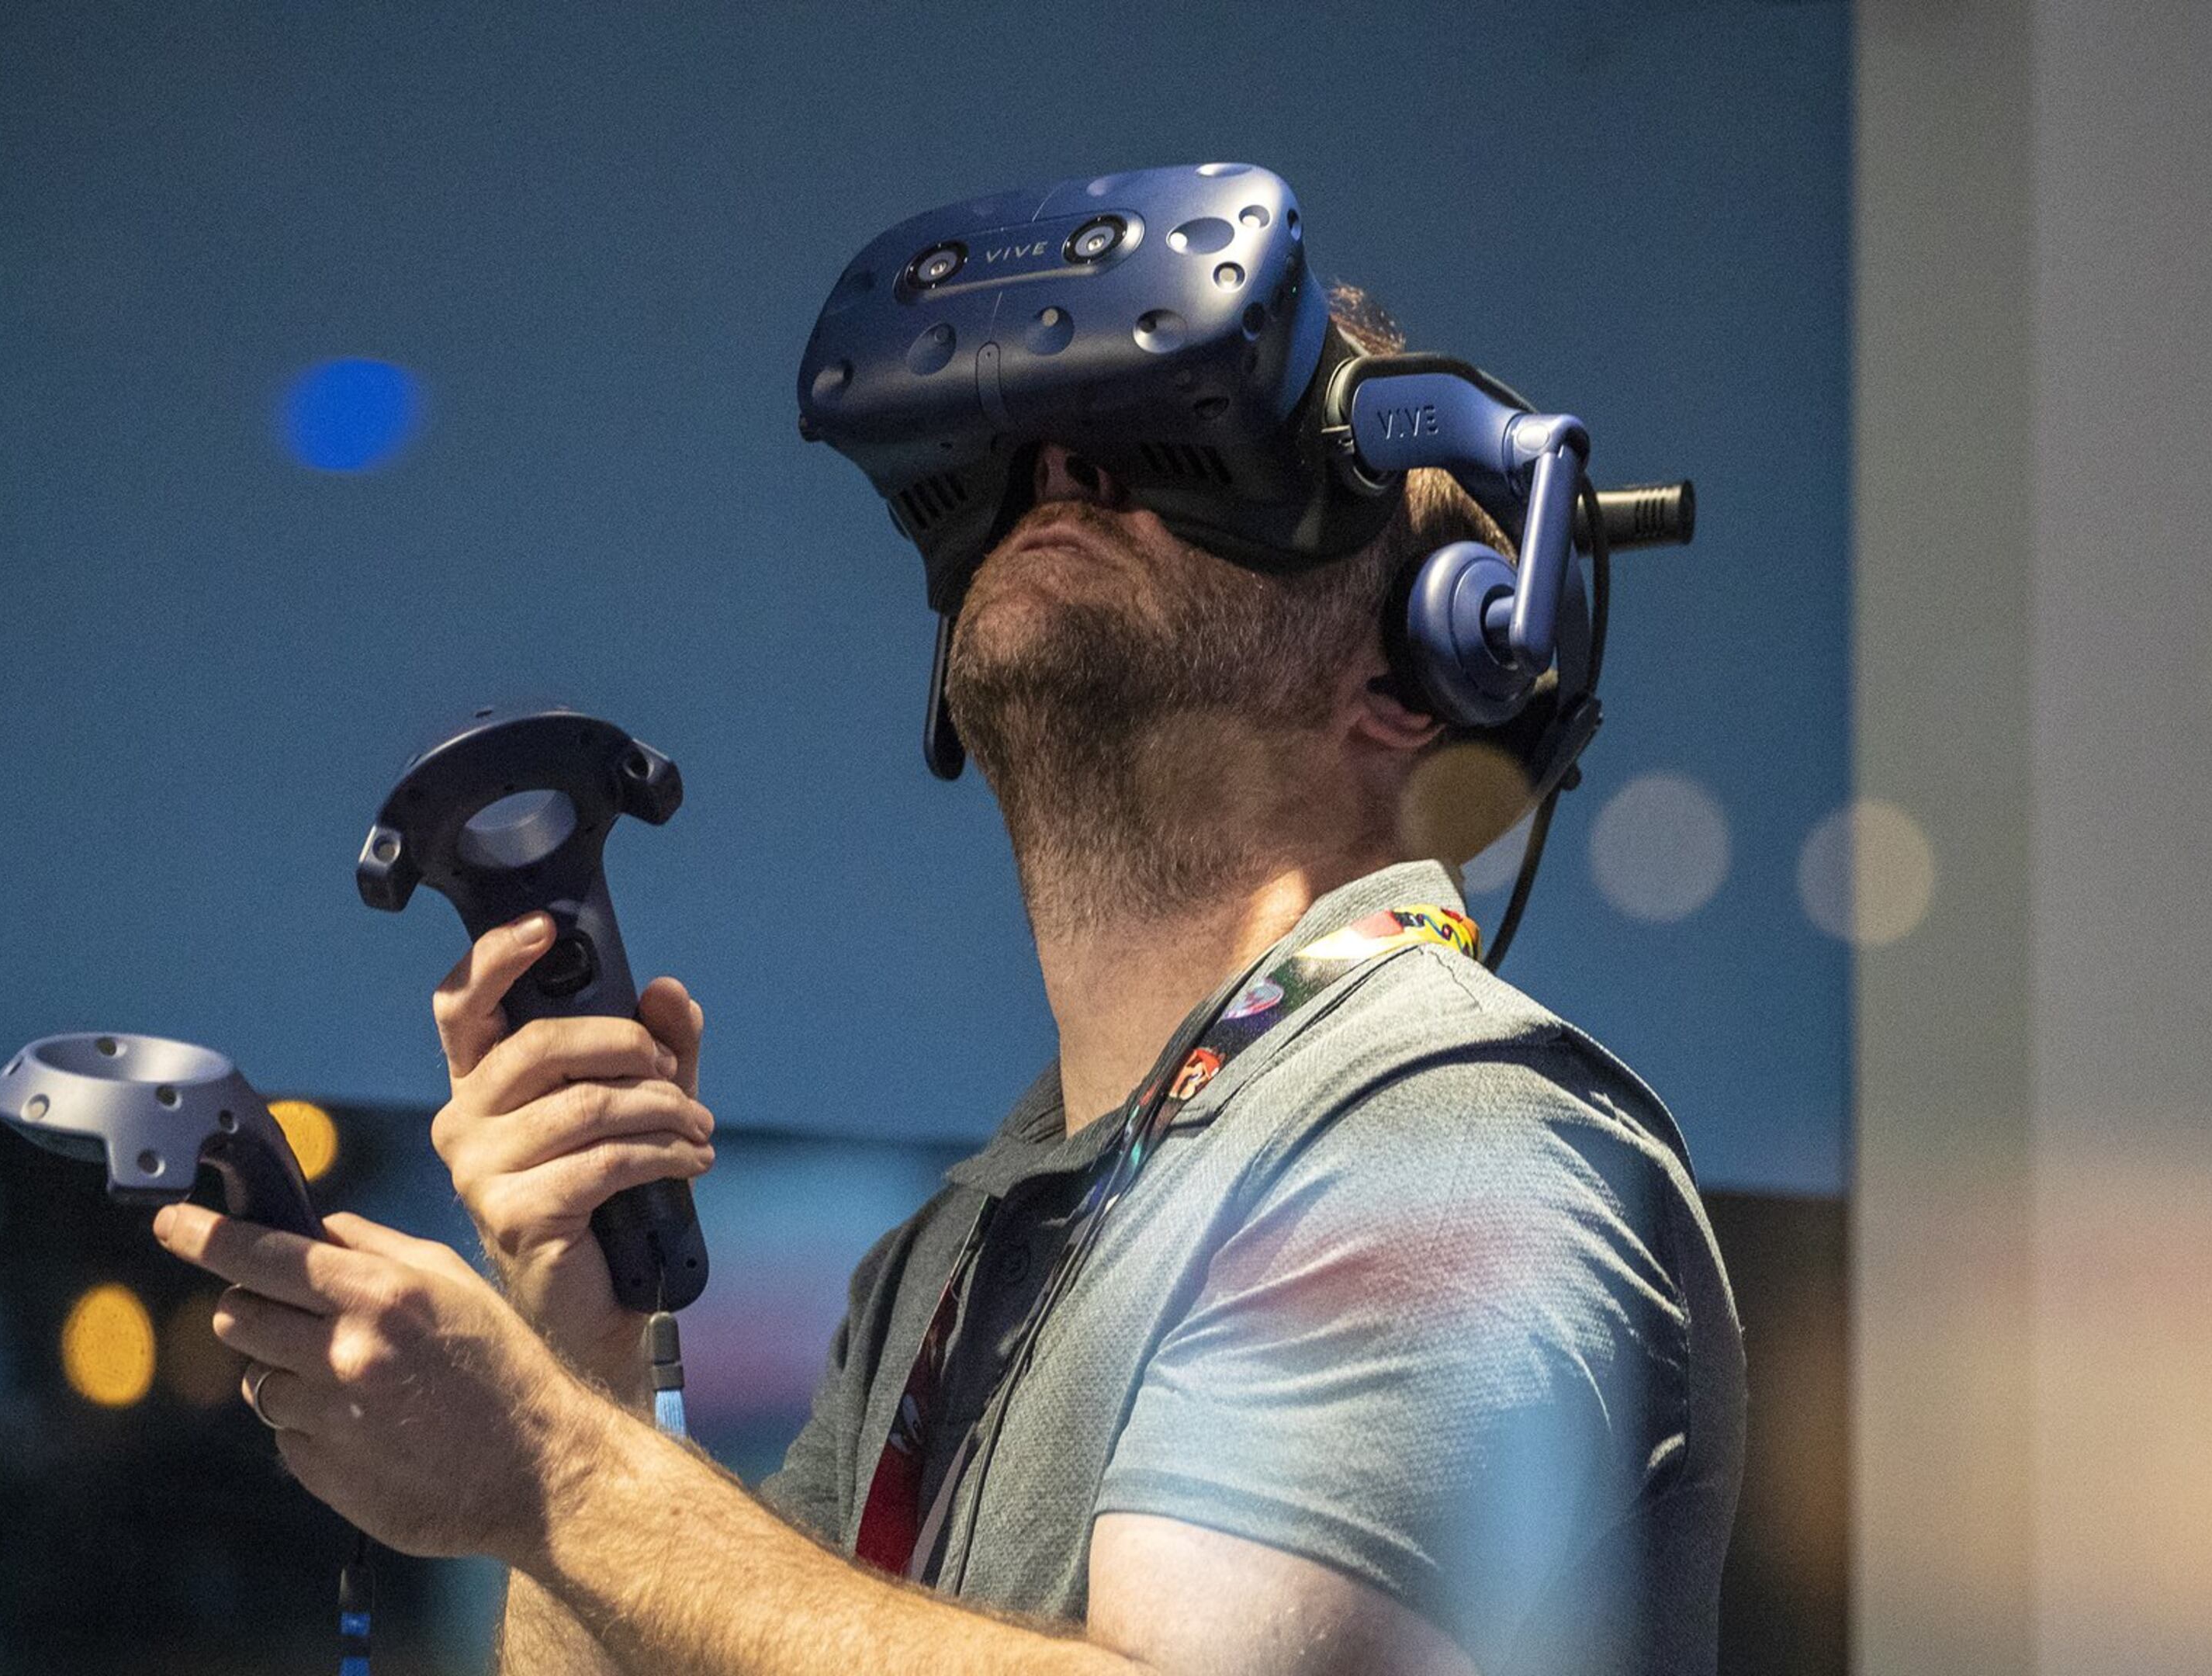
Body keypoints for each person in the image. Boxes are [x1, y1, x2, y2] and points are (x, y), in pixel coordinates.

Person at [153, 294, 1746, 1675]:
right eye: (1043, 454)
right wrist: (584, 1357)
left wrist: (558, 1474)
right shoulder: (963, 1252)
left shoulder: (1448, 1136)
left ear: (1426, 667)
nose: (1064, 473)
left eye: (1194, 457)